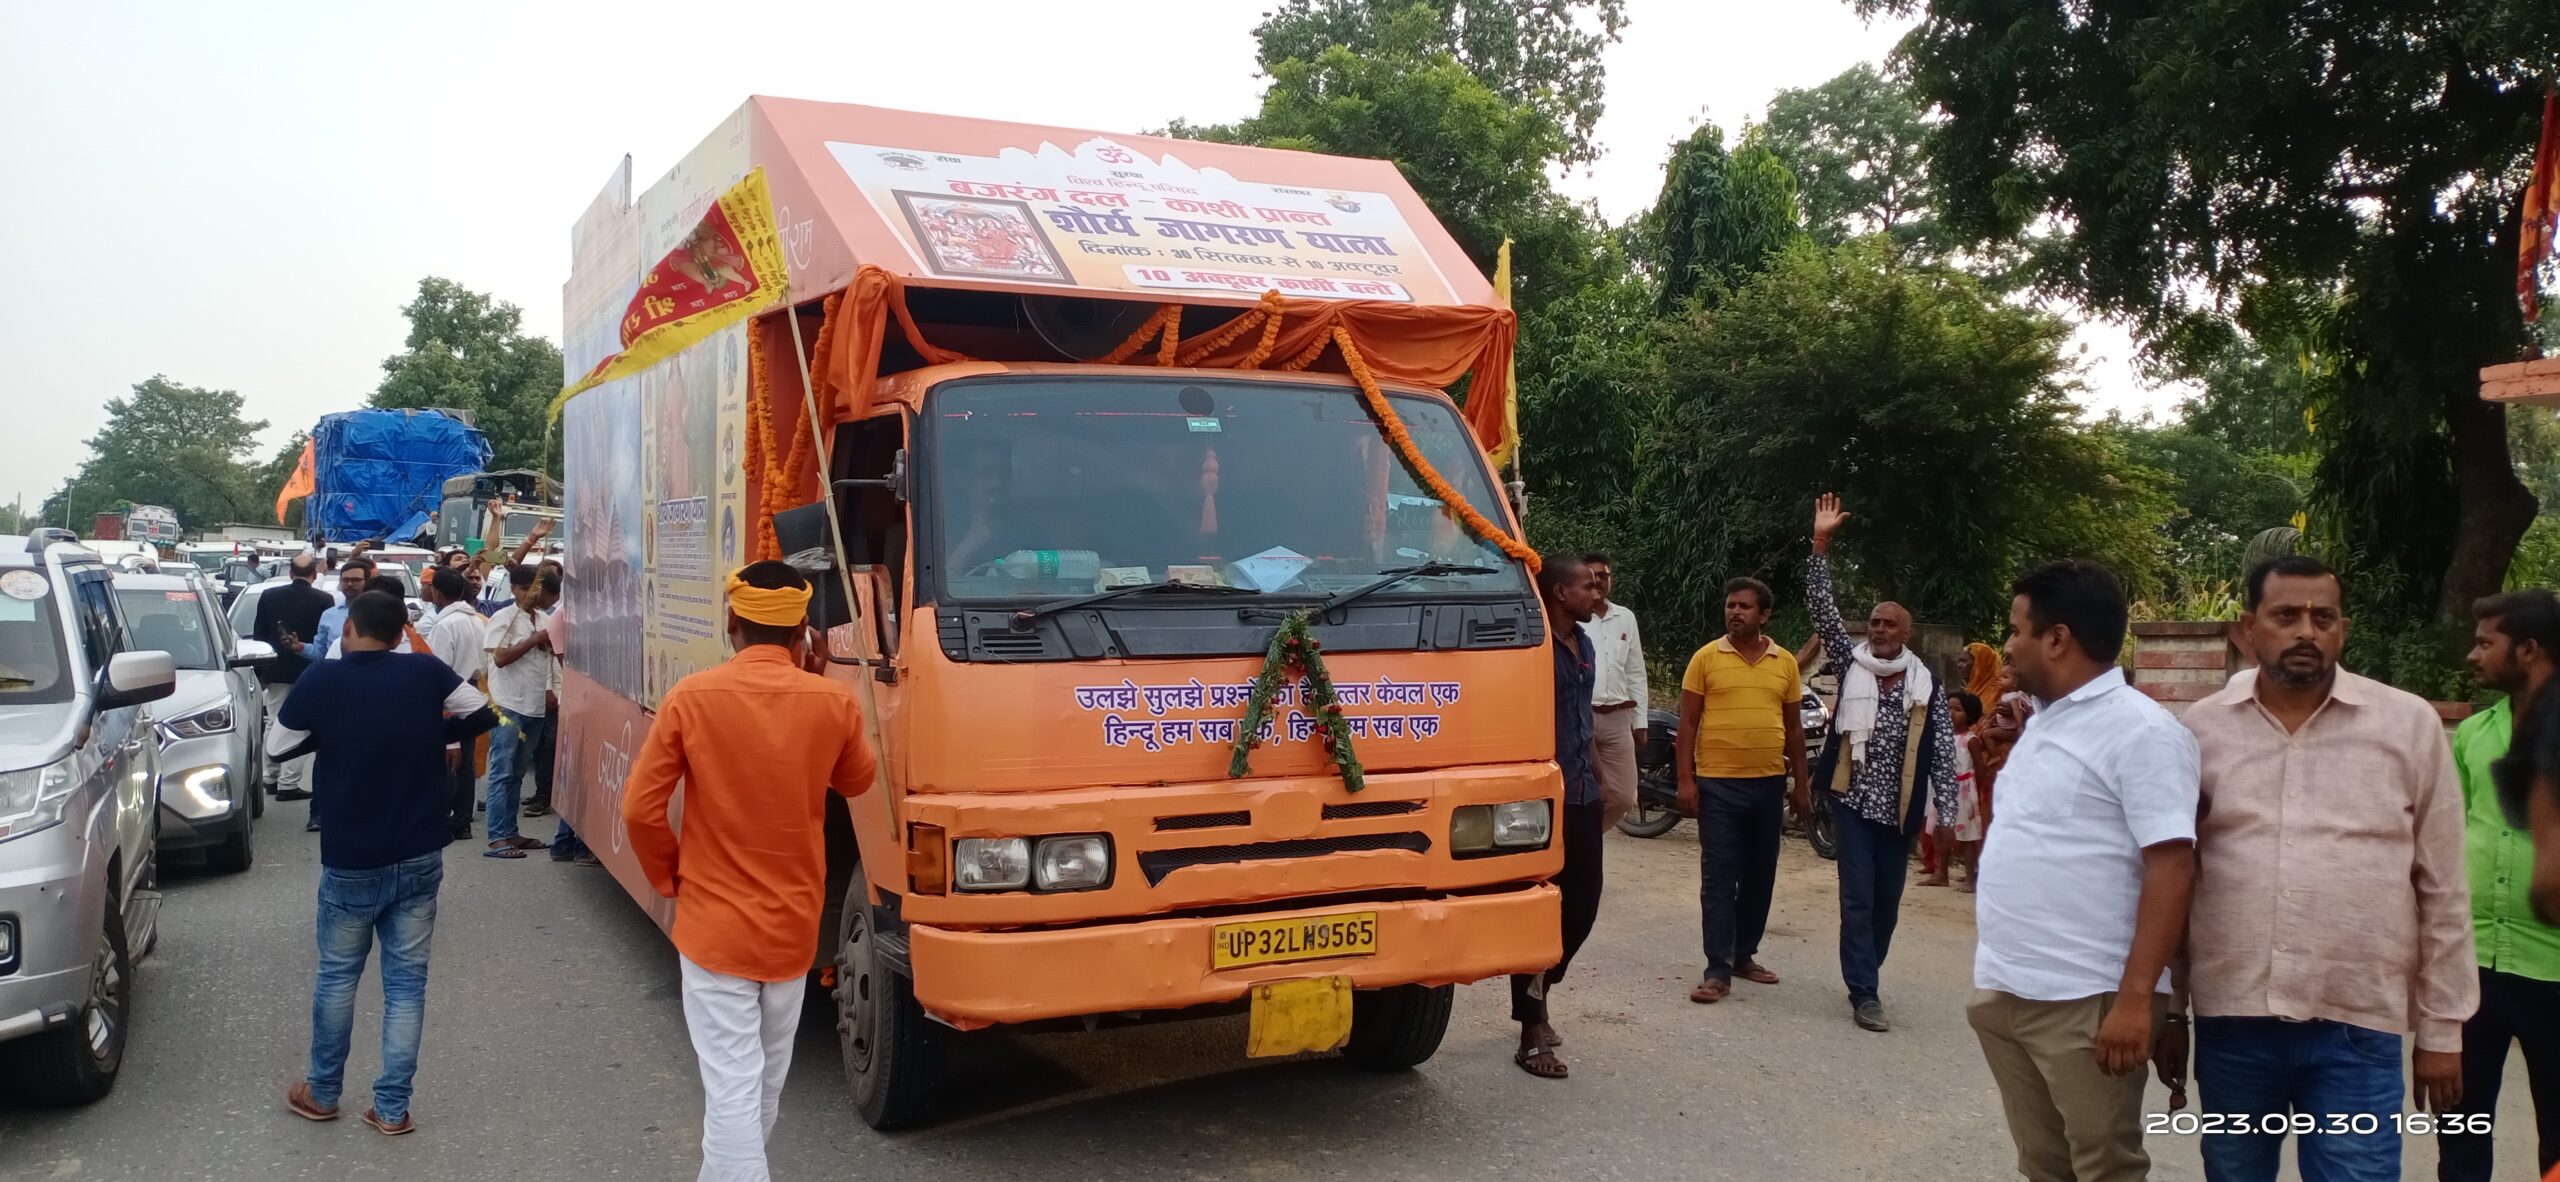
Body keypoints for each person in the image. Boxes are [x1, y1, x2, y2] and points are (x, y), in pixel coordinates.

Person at [2170, 555, 2475, 1181]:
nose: (2306, 631)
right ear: (2247, 629)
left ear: (2343, 629)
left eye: (2323, 617)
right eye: (2287, 615)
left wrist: (2442, 1033)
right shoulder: (2200, 730)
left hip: (2358, 1028)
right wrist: (2170, 1008)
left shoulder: (2407, 724)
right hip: (2235, 1022)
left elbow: (2443, 888)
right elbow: (2177, 876)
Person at [622, 562, 878, 1182]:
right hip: (790, 932)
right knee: (762, 1081)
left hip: (713, 928)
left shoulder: (691, 698)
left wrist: (669, 877)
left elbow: (640, 809)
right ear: (804, 635)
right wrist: (815, 684)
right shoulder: (832, 703)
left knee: (734, 1085)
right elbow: (859, 780)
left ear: (731, 624)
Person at [1973, 559, 2197, 1182]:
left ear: (2057, 638)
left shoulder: (2142, 732)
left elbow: (2173, 866)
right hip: (2010, 987)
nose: (2008, 646)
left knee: (2106, 1169)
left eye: (2016, 630)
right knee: (2045, 1166)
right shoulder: (2047, 721)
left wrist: (2136, 1003)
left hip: (2088, 1002)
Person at [270, 590, 500, 1136]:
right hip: (419, 854)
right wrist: (428, 732)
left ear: (348, 629)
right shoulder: (423, 673)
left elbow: (278, 747)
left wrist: (332, 736)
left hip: (350, 858)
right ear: (402, 634)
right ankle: (392, 1108)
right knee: (405, 986)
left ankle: (323, 1092)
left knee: (337, 979)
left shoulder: (323, 680)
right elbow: (482, 712)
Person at [1806, 493, 1957, 1032]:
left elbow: (1941, 749)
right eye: (1873, 622)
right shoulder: (1853, 665)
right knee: (1858, 900)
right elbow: (1823, 610)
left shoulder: (1925, 684)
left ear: (1907, 634)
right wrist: (1821, 544)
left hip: (1901, 812)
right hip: (1852, 804)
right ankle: (1864, 991)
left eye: (1889, 624)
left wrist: (1947, 816)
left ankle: (1868, 973)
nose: (1878, 629)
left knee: (1887, 905)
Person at [2441, 589, 2560, 1180]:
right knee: (2461, 1128)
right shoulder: (2474, 734)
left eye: (2487, 642)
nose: (2473, 654)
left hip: (2554, 970)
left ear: (2530, 650)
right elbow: (2457, 830)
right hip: (2473, 971)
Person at [1676, 574, 1807, 1006]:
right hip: (1718, 785)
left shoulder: (1784, 663)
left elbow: (1793, 728)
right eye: (1730, 605)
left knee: (1759, 875)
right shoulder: (1706, 658)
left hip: (1768, 784)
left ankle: (1743, 954)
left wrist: (1801, 786)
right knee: (1718, 877)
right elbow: (1688, 723)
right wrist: (1686, 780)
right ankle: (1717, 970)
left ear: (1764, 615)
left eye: (1744, 606)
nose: (1734, 612)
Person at [1511, 553, 1605, 1079]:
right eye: (1587, 586)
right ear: (1559, 594)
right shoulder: (1534, 647)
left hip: (1583, 793)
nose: (1596, 593)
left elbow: (1581, 718)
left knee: (1583, 906)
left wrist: (1599, 774)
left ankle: (1542, 986)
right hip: (1543, 801)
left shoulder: (1584, 645)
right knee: (1539, 914)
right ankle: (1532, 1027)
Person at [481, 566, 554, 860]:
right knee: (502, 772)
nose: (531, 595)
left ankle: (510, 832)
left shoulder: (544, 618)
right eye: (525, 589)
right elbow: (499, 657)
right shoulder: (504, 617)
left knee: (517, 774)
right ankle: (497, 837)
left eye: (535, 589)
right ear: (515, 590)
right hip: (508, 704)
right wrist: (534, 640)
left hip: (533, 704)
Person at [252, 553, 335, 804]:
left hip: (274, 669)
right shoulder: (324, 599)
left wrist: (260, 671)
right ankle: (289, 782)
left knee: (274, 722)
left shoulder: (269, 596)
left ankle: (270, 776)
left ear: (290, 573)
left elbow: (260, 634)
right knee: (302, 726)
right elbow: (324, 638)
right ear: (313, 575)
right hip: (309, 669)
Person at [421, 566, 488, 842]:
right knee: (466, 762)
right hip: (471, 690)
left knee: (448, 758)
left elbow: (439, 671)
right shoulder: (477, 621)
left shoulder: (446, 625)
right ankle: (462, 821)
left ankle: (446, 818)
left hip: (450, 694)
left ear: (437, 592)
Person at [1584, 552, 1648, 831]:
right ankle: (1576, 848)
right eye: (1592, 575)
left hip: (1618, 717)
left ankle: (1583, 840)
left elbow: (1636, 673)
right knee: (1577, 792)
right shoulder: (1572, 617)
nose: (1598, 581)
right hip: (1581, 714)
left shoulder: (1626, 618)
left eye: (1604, 575)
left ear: (1611, 579)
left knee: (1623, 797)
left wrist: (1640, 721)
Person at [1922, 690, 1990, 891]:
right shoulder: (1941, 737)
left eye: (1957, 710)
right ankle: (1941, 873)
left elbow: (1980, 768)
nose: (1951, 713)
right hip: (1941, 790)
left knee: (1967, 835)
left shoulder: (1971, 740)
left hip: (1963, 792)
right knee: (1942, 833)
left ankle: (1970, 879)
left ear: (1969, 714)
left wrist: (1973, 792)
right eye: (1948, 708)